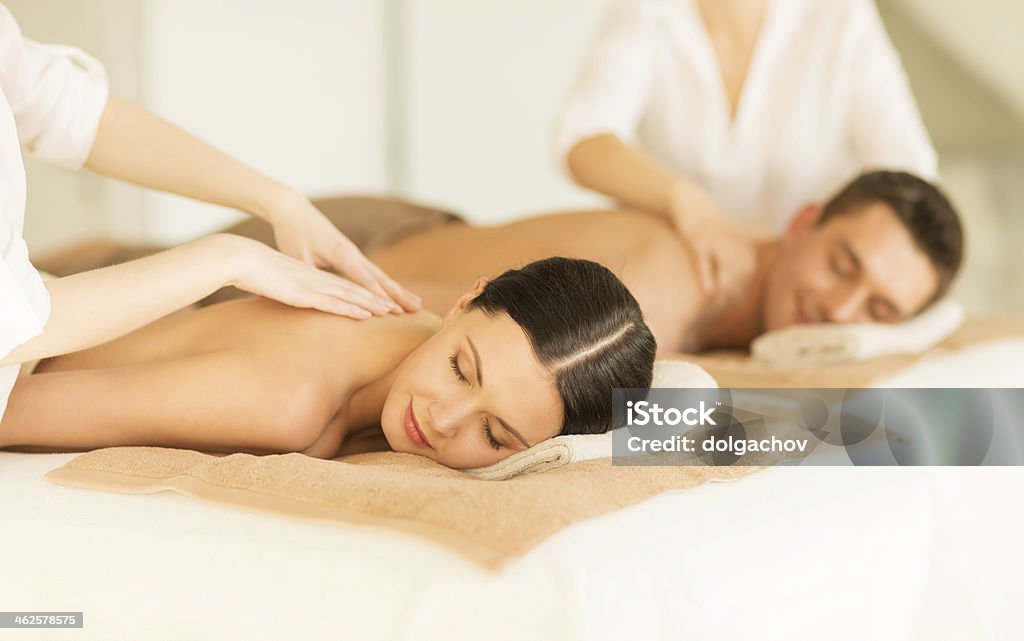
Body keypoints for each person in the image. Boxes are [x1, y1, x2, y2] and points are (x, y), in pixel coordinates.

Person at [0, 4, 418, 423]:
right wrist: (229, 259)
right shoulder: (293, 402)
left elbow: (60, 107)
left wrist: (281, 203)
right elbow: (13, 322)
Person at [39, 171, 965, 357]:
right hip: (380, 247)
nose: (841, 307)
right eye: (845, 261)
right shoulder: (670, 289)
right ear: (803, 221)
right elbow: (469, 314)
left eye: (880, 309)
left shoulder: (738, 311)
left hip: (426, 221)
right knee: (101, 293)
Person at [0, 258, 657, 469]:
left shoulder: (409, 334)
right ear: (463, 302)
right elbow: (12, 408)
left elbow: (734, 422)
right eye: (461, 369)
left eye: (495, 436)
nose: (444, 417)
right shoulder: (287, 402)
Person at [554, 0, 937, 296]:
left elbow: (911, 177)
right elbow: (582, 139)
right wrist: (688, 203)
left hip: (808, 293)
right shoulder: (650, 10)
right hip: (696, 284)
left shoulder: (838, 14)